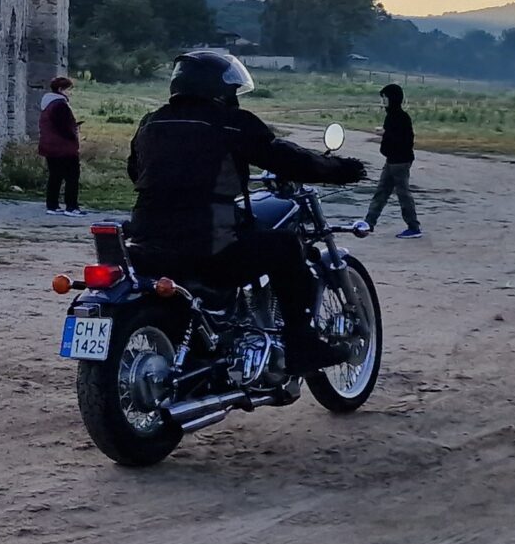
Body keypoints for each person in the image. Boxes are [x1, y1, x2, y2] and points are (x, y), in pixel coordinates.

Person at [127, 49, 368, 369]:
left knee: (240, 230)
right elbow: (285, 157)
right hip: (207, 250)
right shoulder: (231, 124)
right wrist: (340, 169)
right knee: (285, 247)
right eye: (231, 90)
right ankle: (301, 344)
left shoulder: (151, 122)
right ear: (216, 88)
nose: (234, 97)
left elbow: (135, 171)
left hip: (146, 245)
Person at [364, 83, 422, 237]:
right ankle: (368, 223)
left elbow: (404, 141)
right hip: (392, 161)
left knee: (403, 195)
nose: (383, 102)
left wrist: (386, 133)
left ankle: (414, 227)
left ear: (392, 99)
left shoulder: (400, 117)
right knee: (381, 192)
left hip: (400, 162)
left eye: (385, 98)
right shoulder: (392, 116)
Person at [38, 75, 84, 215]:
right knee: (72, 176)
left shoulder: (48, 104)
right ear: (60, 89)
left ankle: (52, 205)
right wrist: (74, 131)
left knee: (55, 176)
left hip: (50, 145)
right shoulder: (60, 105)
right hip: (63, 147)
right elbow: (64, 127)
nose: (70, 93)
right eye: (68, 89)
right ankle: (71, 207)